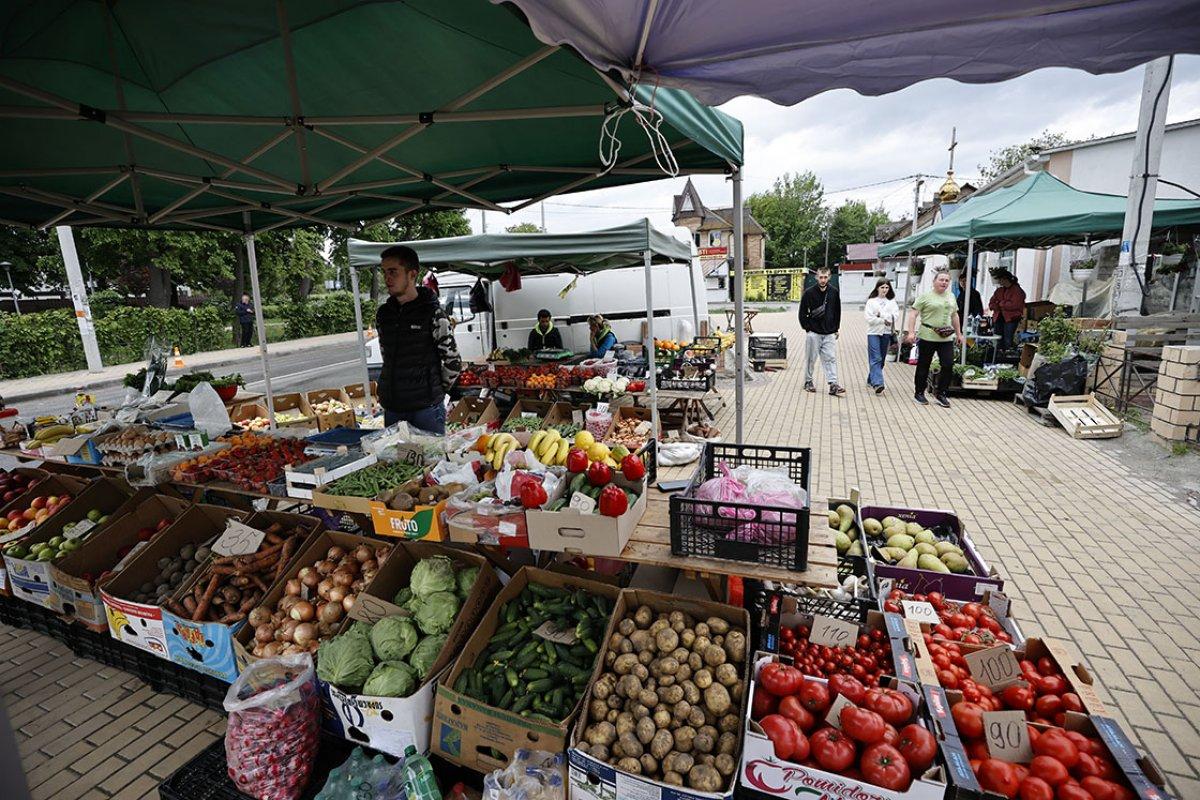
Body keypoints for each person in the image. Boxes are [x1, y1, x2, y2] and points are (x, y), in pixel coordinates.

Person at [375, 245, 461, 434]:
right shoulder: (383, 315)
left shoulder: (433, 313)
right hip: (393, 409)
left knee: (432, 462)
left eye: (393, 272)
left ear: (412, 274)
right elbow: (386, 357)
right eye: (384, 272)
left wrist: (436, 391)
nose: (387, 279)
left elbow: (453, 362)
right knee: (395, 463)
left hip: (426, 411)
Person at [904, 268, 964, 408]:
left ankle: (941, 393)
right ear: (934, 281)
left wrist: (959, 333)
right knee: (924, 365)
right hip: (928, 335)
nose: (944, 282)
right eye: (941, 280)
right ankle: (919, 392)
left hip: (946, 337)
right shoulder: (925, 296)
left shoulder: (951, 296)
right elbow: (913, 314)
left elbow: (954, 315)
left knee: (948, 364)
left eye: (946, 280)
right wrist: (911, 332)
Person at [798, 267, 845, 396]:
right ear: (816, 277)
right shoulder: (809, 293)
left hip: (829, 332)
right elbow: (802, 312)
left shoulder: (834, 292)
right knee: (810, 359)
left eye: (825, 277)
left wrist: (836, 328)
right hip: (814, 332)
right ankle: (808, 381)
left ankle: (833, 384)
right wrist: (807, 328)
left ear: (829, 277)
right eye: (820, 277)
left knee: (830, 358)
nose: (823, 280)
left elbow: (837, 311)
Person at [863, 278, 900, 394]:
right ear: (877, 288)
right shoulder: (871, 301)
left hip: (886, 333)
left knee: (882, 359)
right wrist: (883, 320)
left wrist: (880, 315)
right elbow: (869, 318)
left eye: (887, 287)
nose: (884, 290)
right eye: (882, 287)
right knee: (876, 357)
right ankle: (878, 383)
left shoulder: (892, 302)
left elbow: (894, 317)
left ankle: (871, 378)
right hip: (873, 332)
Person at [988, 270, 1027, 351]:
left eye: (1000, 279)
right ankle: (998, 356)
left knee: (1008, 340)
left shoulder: (1017, 290)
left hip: (1011, 319)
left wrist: (1000, 303)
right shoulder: (999, 290)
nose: (999, 281)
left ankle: (1007, 357)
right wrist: (1000, 304)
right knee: (997, 339)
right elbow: (991, 303)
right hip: (998, 318)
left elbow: (1015, 305)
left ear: (1005, 279)